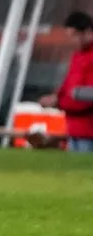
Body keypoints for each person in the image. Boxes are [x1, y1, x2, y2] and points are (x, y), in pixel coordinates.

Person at [39, 11, 93, 152]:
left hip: (88, 128)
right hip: (75, 127)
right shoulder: (78, 56)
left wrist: (59, 102)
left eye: (75, 36)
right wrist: (56, 96)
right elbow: (69, 84)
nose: (72, 41)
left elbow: (87, 96)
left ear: (88, 32)